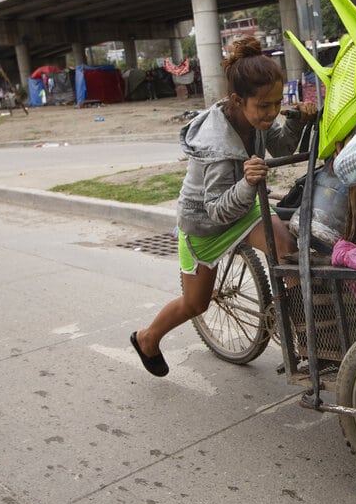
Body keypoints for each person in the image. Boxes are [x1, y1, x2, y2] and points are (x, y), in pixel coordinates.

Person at [130, 36, 318, 376]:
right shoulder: (216, 145)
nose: (272, 112)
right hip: (204, 223)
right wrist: (247, 183)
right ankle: (147, 338)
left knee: (287, 248)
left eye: (278, 103)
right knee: (196, 304)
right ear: (237, 100)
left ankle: (307, 341)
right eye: (265, 106)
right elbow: (217, 210)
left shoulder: (254, 117)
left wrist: (296, 120)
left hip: (244, 207)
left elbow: (280, 147)